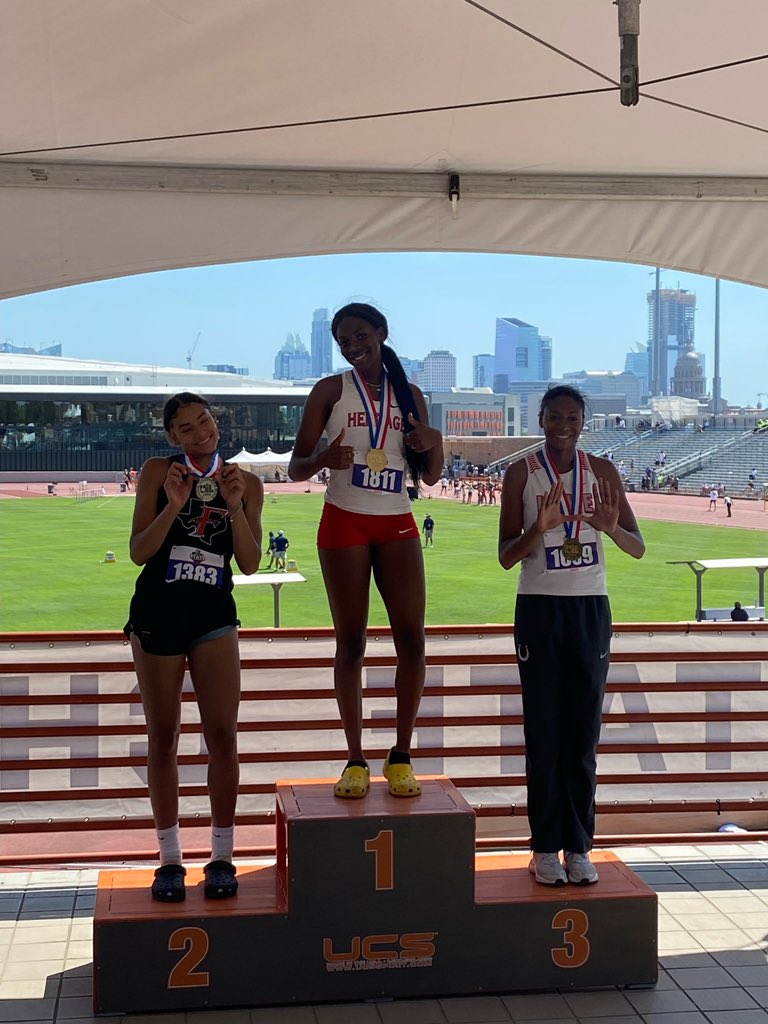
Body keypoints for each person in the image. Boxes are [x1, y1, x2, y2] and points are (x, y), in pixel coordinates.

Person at [288, 302, 443, 800]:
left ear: (381, 333)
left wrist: (435, 440)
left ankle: (401, 755)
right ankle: (354, 759)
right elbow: (295, 467)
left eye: (359, 336)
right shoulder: (330, 390)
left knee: (412, 642)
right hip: (344, 520)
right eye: (343, 341)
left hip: (396, 520)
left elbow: (433, 473)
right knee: (351, 643)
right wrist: (323, 459)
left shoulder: (411, 394)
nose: (352, 347)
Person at [498, 385, 645, 887]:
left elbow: (638, 547)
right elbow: (505, 555)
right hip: (538, 608)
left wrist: (609, 527)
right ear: (540, 418)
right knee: (543, 734)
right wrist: (537, 531)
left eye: (572, 416)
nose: (563, 424)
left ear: (585, 420)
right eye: (554, 416)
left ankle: (580, 847)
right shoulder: (520, 472)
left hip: (589, 608)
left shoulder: (603, 471)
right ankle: (543, 848)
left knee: (583, 737)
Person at [125, 392, 263, 903]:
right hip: (158, 616)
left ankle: (223, 856)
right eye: (186, 427)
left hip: (213, 619)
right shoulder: (159, 471)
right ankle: (169, 860)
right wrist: (176, 505)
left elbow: (248, 564)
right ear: (173, 437)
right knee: (163, 738)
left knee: (222, 736)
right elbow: (139, 550)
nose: (200, 431)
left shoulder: (244, 481)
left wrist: (234, 507)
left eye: (203, 419)